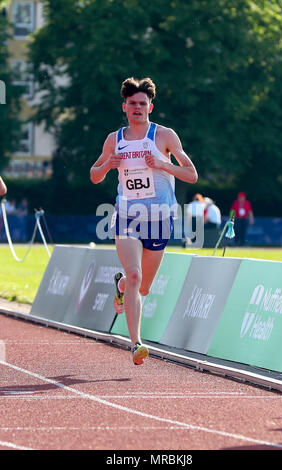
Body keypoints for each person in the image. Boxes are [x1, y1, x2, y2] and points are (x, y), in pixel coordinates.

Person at [90, 77, 198, 365]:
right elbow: (94, 174)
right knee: (136, 275)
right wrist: (106, 165)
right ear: (124, 106)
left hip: (160, 218)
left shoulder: (164, 136)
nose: (137, 107)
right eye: (132, 103)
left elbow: (191, 174)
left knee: (143, 286)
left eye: (142, 103)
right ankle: (136, 343)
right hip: (127, 215)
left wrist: (163, 164)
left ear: (150, 105)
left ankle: (122, 286)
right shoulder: (115, 139)